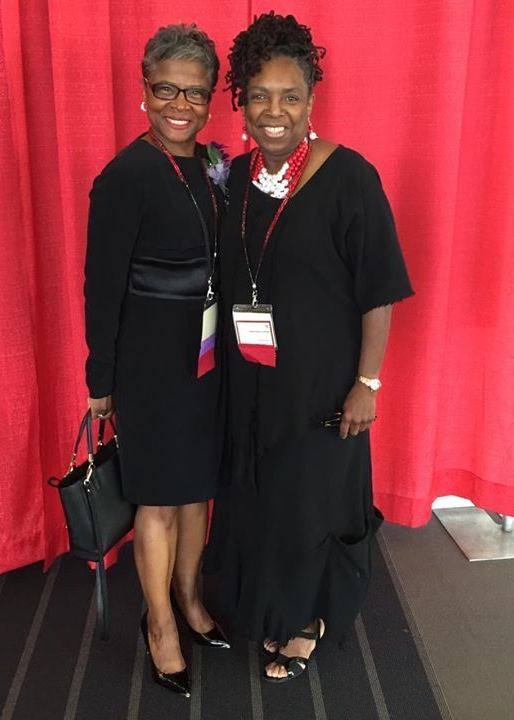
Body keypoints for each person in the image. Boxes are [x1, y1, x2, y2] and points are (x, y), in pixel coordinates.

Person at [204, 12, 414, 684]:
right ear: (240, 101)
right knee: (256, 495)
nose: (275, 112)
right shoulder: (233, 177)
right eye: (260, 96)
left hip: (321, 385)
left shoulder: (350, 178)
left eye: (290, 96)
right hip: (248, 379)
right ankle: (263, 605)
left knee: (309, 501)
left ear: (311, 100)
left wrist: (367, 384)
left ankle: (306, 620)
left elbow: (379, 292)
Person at [84, 24, 230, 699]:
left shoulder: (212, 165)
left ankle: (191, 598)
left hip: (207, 363)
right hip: (149, 372)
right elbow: (101, 287)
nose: (181, 104)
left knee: (198, 491)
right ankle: (161, 625)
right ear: (144, 91)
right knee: (160, 500)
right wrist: (101, 380)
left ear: (210, 100)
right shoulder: (124, 177)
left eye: (195, 93)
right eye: (167, 89)